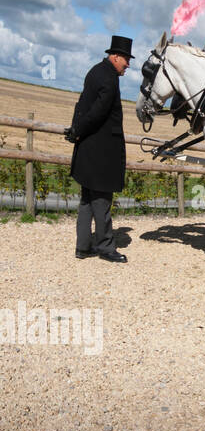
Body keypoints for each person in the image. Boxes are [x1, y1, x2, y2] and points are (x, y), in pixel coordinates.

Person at [66, 35, 132, 262]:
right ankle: (105, 248)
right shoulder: (110, 78)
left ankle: (83, 247)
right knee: (102, 199)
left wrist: (76, 130)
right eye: (125, 59)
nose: (128, 65)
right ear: (115, 56)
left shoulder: (95, 71)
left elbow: (82, 105)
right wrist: (77, 130)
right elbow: (97, 113)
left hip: (87, 147)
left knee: (86, 199)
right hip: (101, 151)